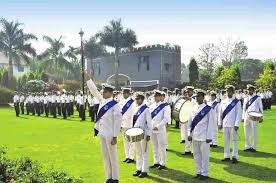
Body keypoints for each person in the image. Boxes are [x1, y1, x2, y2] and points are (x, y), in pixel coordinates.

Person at [84, 71, 122, 183]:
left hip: (110, 134)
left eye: (104, 91)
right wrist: (88, 79)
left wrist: (115, 136)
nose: (102, 93)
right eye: (103, 91)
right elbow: (94, 90)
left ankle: (115, 178)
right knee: (106, 157)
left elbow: (118, 121)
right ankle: (108, 177)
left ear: (110, 93)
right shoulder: (102, 101)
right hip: (102, 133)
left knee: (113, 157)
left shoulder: (115, 104)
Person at [188, 89, 215, 180]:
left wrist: (209, 136)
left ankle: (205, 173)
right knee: (196, 155)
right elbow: (190, 123)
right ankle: (198, 172)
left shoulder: (208, 109)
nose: (197, 98)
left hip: (204, 136)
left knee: (205, 156)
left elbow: (211, 124)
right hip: (195, 135)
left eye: (199, 96)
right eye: (196, 96)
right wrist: (189, 133)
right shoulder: (193, 108)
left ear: (203, 97)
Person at [218, 85, 242, 164]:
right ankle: (226, 156)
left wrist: (237, 124)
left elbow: (239, 113)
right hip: (225, 124)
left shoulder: (237, 102)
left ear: (233, 92)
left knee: (234, 141)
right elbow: (220, 114)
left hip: (233, 124)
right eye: (227, 91)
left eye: (230, 91)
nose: (228, 92)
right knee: (226, 141)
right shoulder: (223, 101)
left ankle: (235, 156)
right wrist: (219, 123)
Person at [132, 92, 152, 178]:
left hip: (143, 131)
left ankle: (144, 171)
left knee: (144, 152)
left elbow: (149, 123)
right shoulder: (136, 108)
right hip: (136, 131)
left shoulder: (146, 109)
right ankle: (139, 169)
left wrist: (148, 134)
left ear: (141, 99)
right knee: (138, 152)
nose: (136, 100)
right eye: (135, 99)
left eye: (137, 99)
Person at [150, 90, 171, 170]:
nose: (155, 97)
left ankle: (163, 163)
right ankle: (156, 162)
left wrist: (158, 126)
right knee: (154, 146)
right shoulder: (152, 106)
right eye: (154, 96)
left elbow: (166, 118)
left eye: (156, 96)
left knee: (162, 147)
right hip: (152, 129)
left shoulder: (165, 106)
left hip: (160, 129)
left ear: (160, 96)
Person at [243, 84, 263, 152]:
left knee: (254, 132)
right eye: (248, 89)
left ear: (253, 90)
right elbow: (244, 108)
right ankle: (247, 146)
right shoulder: (245, 98)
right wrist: (243, 117)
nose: (249, 91)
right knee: (246, 132)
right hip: (246, 116)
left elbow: (261, 107)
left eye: (251, 89)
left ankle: (254, 147)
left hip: (255, 116)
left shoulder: (257, 98)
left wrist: (261, 116)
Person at [119, 88, 136, 164]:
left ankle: (131, 157)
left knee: (131, 142)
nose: (123, 94)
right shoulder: (121, 101)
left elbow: (133, 114)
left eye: (124, 93)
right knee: (125, 141)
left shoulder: (132, 102)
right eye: (123, 93)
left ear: (128, 94)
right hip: (123, 124)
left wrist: (133, 126)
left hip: (130, 124)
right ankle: (127, 156)